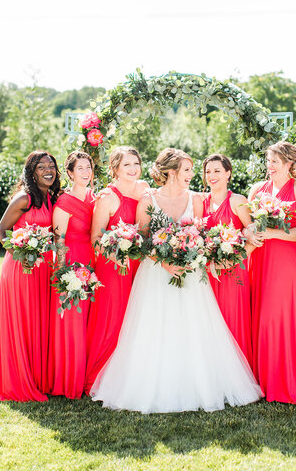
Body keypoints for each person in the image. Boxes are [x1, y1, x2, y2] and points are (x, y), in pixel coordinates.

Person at [91, 148, 262, 413]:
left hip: (189, 273)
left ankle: (199, 384)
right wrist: (166, 261)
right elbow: (144, 239)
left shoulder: (195, 199)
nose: (193, 176)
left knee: (194, 327)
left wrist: (192, 252)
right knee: (153, 328)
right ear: (171, 172)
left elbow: (202, 233)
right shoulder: (148, 199)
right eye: (187, 170)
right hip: (156, 273)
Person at [247, 141, 296, 403]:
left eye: (275, 161)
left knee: (282, 317)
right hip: (261, 260)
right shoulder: (257, 190)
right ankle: (262, 380)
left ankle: (285, 381)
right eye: (268, 161)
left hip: (287, 263)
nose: (270, 166)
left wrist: (275, 233)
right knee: (262, 316)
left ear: (289, 164)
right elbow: (250, 224)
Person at [0, 151, 60, 401]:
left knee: (38, 322)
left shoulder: (51, 198)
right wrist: (21, 252)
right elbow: (1, 230)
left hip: (42, 268)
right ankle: (17, 380)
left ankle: (37, 378)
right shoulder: (24, 198)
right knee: (22, 321)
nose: (48, 170)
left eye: (52, 166)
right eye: (42, 167)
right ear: (32, 171)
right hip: (20, 267)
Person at [84, 146, 149, 394]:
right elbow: (95, 237)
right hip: (113, 266)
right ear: (115, 169)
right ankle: (100, 375)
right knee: (112, 318)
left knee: (135, 318)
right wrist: (117, 255)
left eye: (136, 164)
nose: (133, 169)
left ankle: (130, 376)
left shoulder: (144, 189)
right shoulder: (107, 198)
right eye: (126, 165)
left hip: (138, 265)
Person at [48, 151, 95, 399]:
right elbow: (59, 241)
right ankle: (69, 379)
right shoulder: (64, 203)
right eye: (80, 169)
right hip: (72, 263)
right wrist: (65, 275)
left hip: (93, 262)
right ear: (69, 173)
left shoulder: (94, 198)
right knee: (73, 322)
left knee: (90, 323)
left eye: (89, 168)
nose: (86, 172)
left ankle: (89, 376)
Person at [202, 154, 254, 366]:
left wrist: (231, 262)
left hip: (234, 272)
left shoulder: (238, 201)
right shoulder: (200, 202)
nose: (212, 176)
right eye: (208, 171)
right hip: (208, 272)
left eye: (217, 171)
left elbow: (253, 237)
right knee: (209, 321)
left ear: (228, 173)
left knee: (232, 319)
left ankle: (238, 371)